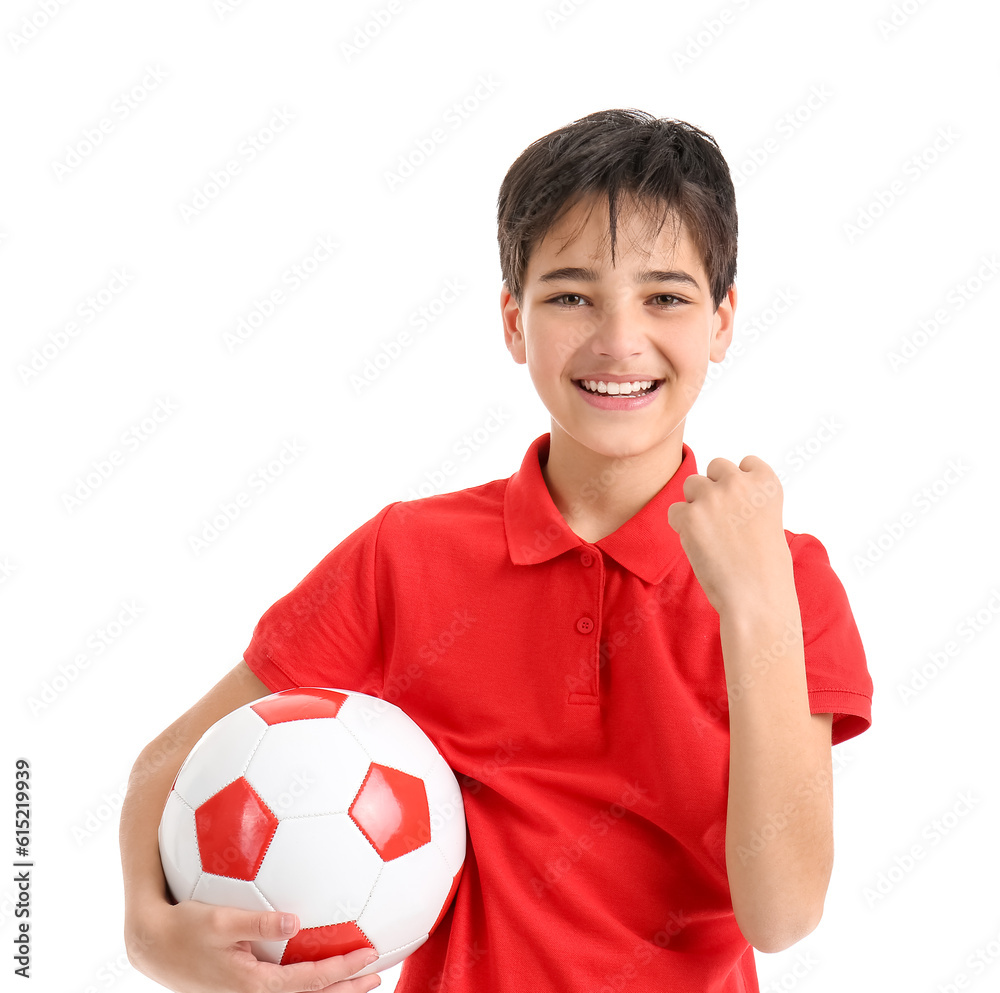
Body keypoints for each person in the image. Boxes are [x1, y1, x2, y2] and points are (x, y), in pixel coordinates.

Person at [120, 108, 874, 993]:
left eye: (665, 296)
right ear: (514, 323)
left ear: (722, 321)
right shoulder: (406, 555)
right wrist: (148, 932)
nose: (619, 338)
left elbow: (782, 914)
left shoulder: (785, 581)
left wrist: (754, 604)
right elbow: (169, 765)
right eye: (570, 295)